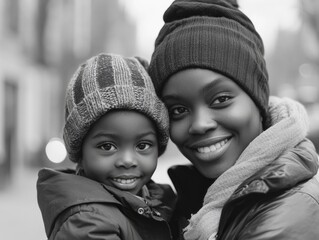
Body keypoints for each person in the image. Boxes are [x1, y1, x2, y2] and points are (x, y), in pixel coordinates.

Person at [148, 0, 319, 239]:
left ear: (258, 101)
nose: (199, 124)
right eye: (178, 110)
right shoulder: (194, 202)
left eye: (221, 99)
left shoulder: (287, 216)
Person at [37, 53, 176, 240]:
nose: (127, 160)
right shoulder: (88, 223)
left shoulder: (156, 200)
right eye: (108, 146)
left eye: (142, 145)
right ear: (81, 153)